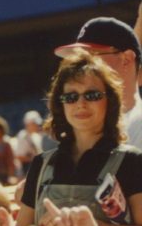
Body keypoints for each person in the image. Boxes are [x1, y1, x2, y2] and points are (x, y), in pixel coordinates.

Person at [15, 50, 142, 226]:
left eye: (91, 95)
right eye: (71, 97)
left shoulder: (132, 162)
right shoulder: (42, 164)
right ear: (60, 104)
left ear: (109, 101)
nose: (80, 104)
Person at [55, 16, 142, 150]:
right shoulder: (83, 129)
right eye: (78, 59)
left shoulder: (138, 124)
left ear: (126, 60)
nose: (82, 67)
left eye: (91, 58)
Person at [15, 111, 50, 177]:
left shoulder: (37, 135)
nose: (38, 126)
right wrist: (35, 158)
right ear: (28, 124)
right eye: (34, 124)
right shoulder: (22, 136)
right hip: (28, 169)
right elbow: (19, 157)